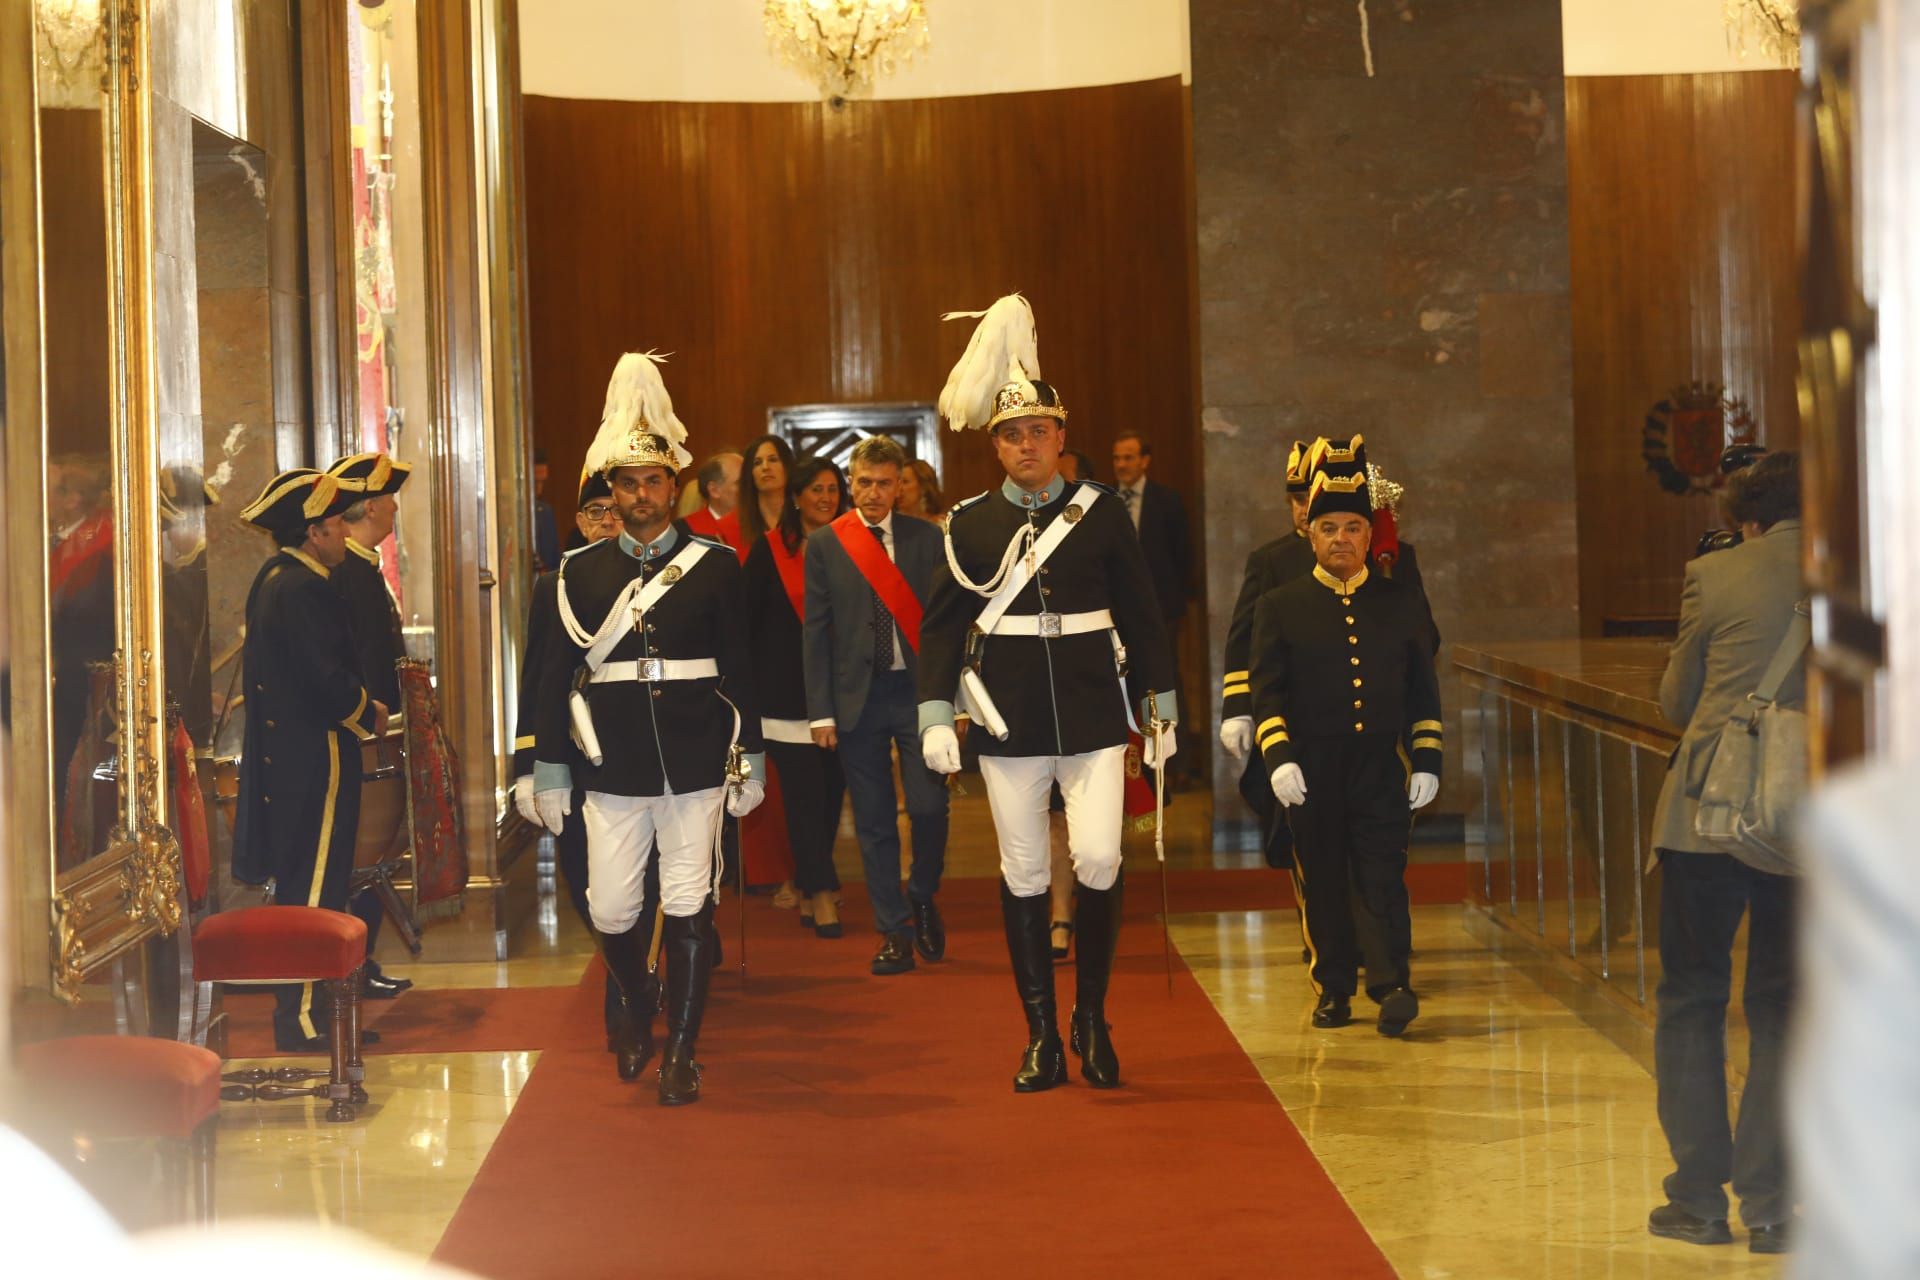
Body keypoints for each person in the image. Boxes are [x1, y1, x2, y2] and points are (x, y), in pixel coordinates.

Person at [918, 294, 1177, 1091]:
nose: (1025, 445)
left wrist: (1161, 705)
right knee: (1025, 870)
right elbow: (939, 625)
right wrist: (934, 712)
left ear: (1061, 439)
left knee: (1098, 855)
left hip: (1097, 710)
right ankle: (1039, 1032)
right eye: (1010, 434)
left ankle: (1091, 1017)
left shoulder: (1099, 514)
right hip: (1010, 716)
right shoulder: (967, 525)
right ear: (994, 446)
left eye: (1038, 432)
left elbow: (1142, 609)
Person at [530, 353, 765, 1107]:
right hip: (613, 760)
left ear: (674, 488)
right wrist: (546, 766)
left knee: (692, 900)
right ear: (613, 491)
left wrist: (751, 754)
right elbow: (548, 678)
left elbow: (741, 668)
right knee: (610, 909)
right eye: (626, 484)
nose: (640, 495)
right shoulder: (574, 574)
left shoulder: (716, 565)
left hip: (697, 753)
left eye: (653, 482)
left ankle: (683, 1052)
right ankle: (637, 994)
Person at [1644, 451, 1802, 1254]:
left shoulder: (1717, 575)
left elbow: (1677, 702)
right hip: (1806, 827)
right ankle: (1774, 1206)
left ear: (1748, 518)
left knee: (1694, 998)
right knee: (1782, 1008)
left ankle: (1699, 1199)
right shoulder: (1877, 584)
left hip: (1707, 817)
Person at [1249, 438, 1440, 1037]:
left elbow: (1422, 690)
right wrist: (1277, 756)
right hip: (1311, 767)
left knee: (1383, 875)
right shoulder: (1281, 604)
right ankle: (1334, 988)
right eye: (1328, 526)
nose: (1340, 538)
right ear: (1311, 533)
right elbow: (1267, 692)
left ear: (1368, 534)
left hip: (1379, 766)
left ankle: (1392, 984)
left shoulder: (1399, 601)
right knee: (1326, 881)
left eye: (1353, 527)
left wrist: (1428, 756)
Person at [231, 467, 388, 1052]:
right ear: (315, 531)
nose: (344, 535)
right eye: (334, 526)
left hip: (296, 759)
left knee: (313, 884)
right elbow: (324, 680)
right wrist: (365, 708)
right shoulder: (303, 586)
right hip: (314, 759)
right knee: (313, 889)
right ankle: (299, 1018)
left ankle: (315, 1009)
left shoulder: (279, 578)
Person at [511, 472, 647, 1063]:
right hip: (574, 757)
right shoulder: (554, 584)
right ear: (578, 520)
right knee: (582, 881)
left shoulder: (655, 578)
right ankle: (629, 974)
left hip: (642, 758)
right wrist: (528, 765)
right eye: (594, 512)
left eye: (614, 511)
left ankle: (626, 996)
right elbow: (537, 679)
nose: (606, 522)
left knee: (644, 880)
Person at [803, 436, 950, 975]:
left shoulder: (926, 539)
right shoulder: (826, 544)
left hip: (917, 695)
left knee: (930, 808)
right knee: (873, 820)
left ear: (900, 486)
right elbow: (815, 632)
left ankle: (923, 892)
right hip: (855, 699)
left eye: (884, 483)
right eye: (863, 483)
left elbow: (941, 624)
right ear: (851, 481)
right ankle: (893, 930)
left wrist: (949, 698)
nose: (872, 493)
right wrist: (820, 711)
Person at [324, 451, 416, 1000]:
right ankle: (353, 963)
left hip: (377, 730)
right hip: (363, 736)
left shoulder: (363, 569)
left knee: (372, 857)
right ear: (370, 508)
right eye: (387, 498)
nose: (395, 507)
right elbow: (359, 658)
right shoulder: (350, 575)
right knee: (360, 856)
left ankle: (364, 959)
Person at [747, 457, 849, 937]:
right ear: (796, 498)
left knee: (831, 796)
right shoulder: (768, 551)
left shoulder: (853, 547)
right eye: (816, 490)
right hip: (785, 696)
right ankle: (823, 893)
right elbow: (747, 621)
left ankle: (810, 886)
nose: (826, 498)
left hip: (843, 692)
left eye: (833, 490)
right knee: (806, 796)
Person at [1110, 431, 1191, 629]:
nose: (1121, 465)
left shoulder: (1167, 501)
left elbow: (1182, 555)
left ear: (1144, 461)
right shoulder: (1104, 500)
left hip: (1160, 607)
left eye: (1128, 458)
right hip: (1114, 609)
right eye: (1116, 458)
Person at [682, 449, 744, 556]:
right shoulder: (685, 532)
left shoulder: (758, 528)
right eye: (740, 483)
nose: (750, 488)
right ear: (714, 490)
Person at [532, 448, 560, 571]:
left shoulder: (546, 513)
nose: (539, 489)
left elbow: (554, 564)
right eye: (534, 482)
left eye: (542, 483)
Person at [895, 457, 946, 521]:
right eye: (897, 482)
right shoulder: (888, 525)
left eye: (905, 481)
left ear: (923, 487)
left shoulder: (942, 525)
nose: (898, 488)